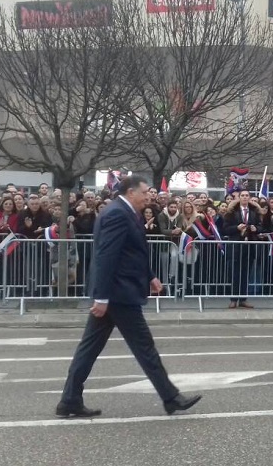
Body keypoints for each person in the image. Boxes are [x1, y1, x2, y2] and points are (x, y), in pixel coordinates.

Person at [56, 176, 201, 418]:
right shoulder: (117, 214)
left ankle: (70, 399)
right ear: (130, 192)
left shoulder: (125, 211)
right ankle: (171, 397)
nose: (148, 196)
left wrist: (150, 276)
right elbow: (106, 256)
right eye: (145, 192)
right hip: (118, 294)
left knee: (89, 349)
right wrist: (101, 297)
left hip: (117, 292)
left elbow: (131, 252)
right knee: (144, 348)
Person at [221, 190, 262, 309]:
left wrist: (256, 228)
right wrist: (236, 228)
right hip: (236, 246)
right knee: (235, 273)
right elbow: (225, 228)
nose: (244, 197)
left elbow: (261, 226)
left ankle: (243, 299)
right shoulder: (232, 212)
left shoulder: (254, 211)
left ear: (249, 198)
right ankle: (233, 299)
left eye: (246, 196)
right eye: (242, 196)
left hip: (249, 245)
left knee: (246, 273)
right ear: (239, 198)